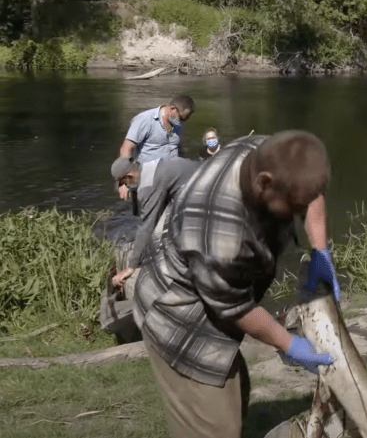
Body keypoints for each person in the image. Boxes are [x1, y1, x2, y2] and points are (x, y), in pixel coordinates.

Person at [133, 130, 342, 438]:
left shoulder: (267, 153)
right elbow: (236, 308)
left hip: (213, 291)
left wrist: (320, 250)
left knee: (234, 392)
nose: (299, 214)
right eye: (294, 207)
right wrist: (288, 343)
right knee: (216, 428)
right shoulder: (217, 232)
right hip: (178, 315)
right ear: (265, 184)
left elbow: (313, 192)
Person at [109, 154, 200, 291]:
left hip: (201, 190)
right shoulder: (148, 166)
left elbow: (146, 226)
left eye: (124, 182)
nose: (125, 186)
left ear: (129, 176)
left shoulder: (148, 185)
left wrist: (131, 266)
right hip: (199, 174)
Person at [117, 95, 195, 200]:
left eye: (185, 120)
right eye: (181, 118)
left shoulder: (178, 124)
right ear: (172, 109)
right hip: (147, 178)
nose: (181, 121)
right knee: (149, 212)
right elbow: (125, 149)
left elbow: (178, 148)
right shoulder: (144, 120)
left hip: (171, 179)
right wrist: (123, 180)